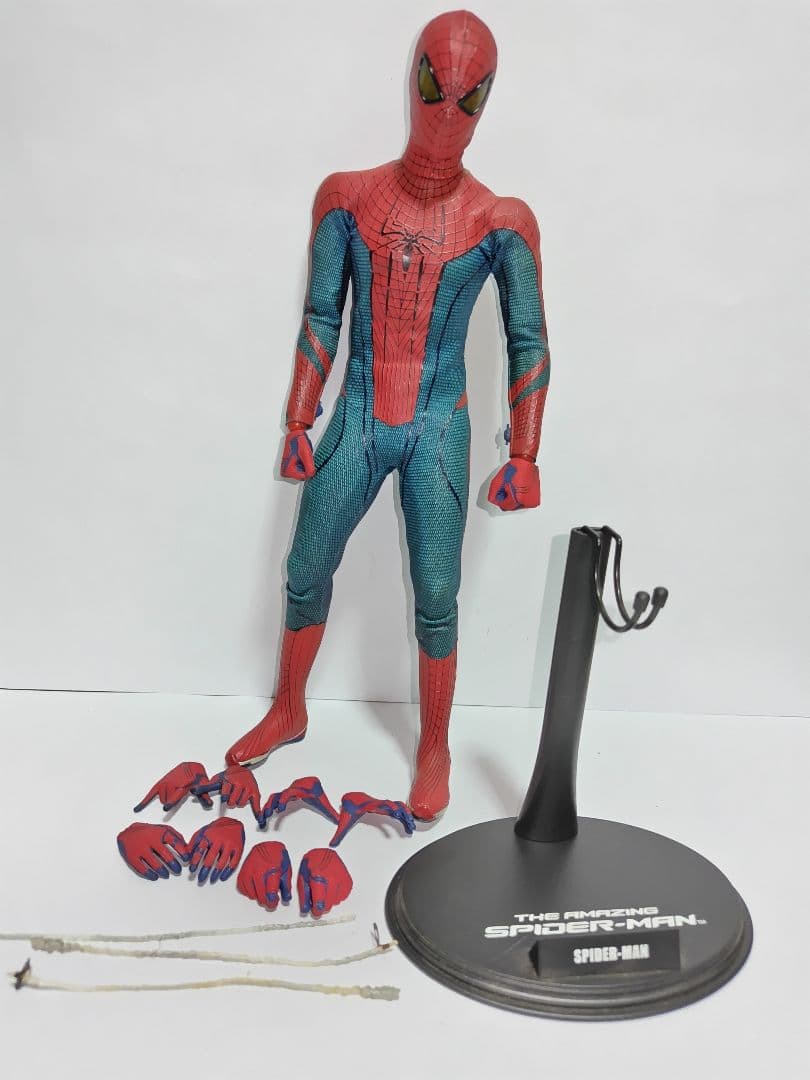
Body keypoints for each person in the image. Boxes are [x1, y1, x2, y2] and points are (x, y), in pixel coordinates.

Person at [226, 10, 550, 821]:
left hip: (439, 419)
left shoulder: (500, 220)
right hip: (363, 412)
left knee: (438, 591)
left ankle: (435, 746)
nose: (447, 113)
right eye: (435, 85)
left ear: (488, 102)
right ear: (413, 79)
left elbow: (529, 339)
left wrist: (526, 452)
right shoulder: (347, 198)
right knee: (306, 566)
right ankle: (290, 707)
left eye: (469, 97)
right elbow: (322, 315)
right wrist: (299, 420)